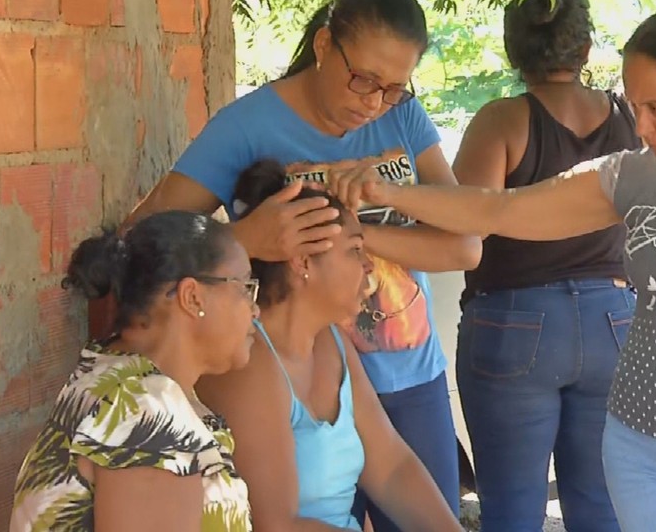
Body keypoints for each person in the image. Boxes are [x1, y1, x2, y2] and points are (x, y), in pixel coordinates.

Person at [328, 6, 656, 532]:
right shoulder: (631, 177)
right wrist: (387, 193)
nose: (644, 127)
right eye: (635, 108)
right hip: (638, 447)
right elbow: (500, 209)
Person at [123, 0, 475, 529]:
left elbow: (465, 243)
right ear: (323, 44)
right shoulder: (247, 126)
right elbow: (142, 242)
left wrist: (349, 232)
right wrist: (248, 240)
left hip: (406, 370)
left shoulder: (403, 118)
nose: (374, 103)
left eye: (394, 88)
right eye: (363, 79)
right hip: (283, 370)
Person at [450, 0, 639, 532]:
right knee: (602, 507)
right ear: (585, 50)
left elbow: (465, 224)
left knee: (510, 509)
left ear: (513, 51)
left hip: (513, 323)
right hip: (614, 318)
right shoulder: (629, 118)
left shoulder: (502, 121)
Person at [196, 160, 464, 532]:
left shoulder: (333, 339)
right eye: (355, 250)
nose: (369, 265)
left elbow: (390, 465)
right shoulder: (250, 360)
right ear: (303, 261)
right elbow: (276, 524)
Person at [10, 211, 258, 531]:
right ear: (192, 296)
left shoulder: (125, 380)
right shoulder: (146, 410)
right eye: (244, 287)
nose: (256, 308)